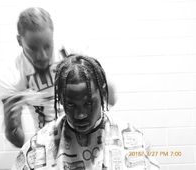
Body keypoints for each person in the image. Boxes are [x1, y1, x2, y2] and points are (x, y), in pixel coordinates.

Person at [12, 54, 160, 170]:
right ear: (61, 100)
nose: (80, 115)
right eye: (71, 104)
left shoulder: (134, 141)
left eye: (88, 103)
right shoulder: (38, 148)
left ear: (102, 93)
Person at [0, 7, 67, 148]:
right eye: (33, 48)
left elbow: (111, 100)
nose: (43, 56)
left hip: (86, 133)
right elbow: (17, 141)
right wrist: (10, 123)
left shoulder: (70, 53)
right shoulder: (11, 75)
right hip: (48, 143)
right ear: (19, 41)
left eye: (48, 46)